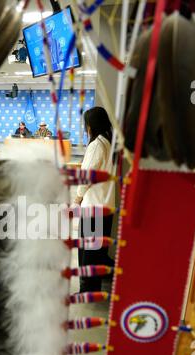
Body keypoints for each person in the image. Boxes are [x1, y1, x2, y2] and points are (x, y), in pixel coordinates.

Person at [74, 106, 115, 293]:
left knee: (88, 251)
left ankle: (88, 290)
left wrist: (78, 197)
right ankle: (95, 284)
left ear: (90, 126)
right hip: (106, 204)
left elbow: (87, 176)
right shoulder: (109, 142)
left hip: (94, 207)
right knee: (96, 249)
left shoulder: (97, 144)